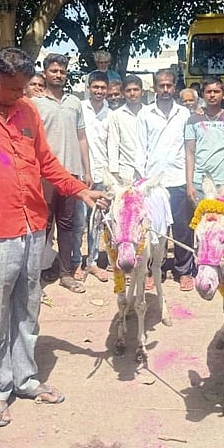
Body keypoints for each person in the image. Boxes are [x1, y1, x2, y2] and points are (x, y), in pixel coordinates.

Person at [0, 46, 108, 430]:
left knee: (28, 303)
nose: (22, 96)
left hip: (32, 222)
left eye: (24, 90)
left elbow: (45, 161)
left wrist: (80, 190)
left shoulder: (28, 109)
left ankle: (26, 377)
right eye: (15, 89)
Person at [32, 53, 93, 294]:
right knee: (42, 225)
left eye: (62, 72)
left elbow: (81, 137)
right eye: (54, 71)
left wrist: (87, 170)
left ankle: (66, 273)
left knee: (68, 225)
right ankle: (34, 276)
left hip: (71, 174)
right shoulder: (34, 104)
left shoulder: (74, 103)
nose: (58, 75)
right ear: (45, 72)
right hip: (44, 175)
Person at [138, 69, 194, 291]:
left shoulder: (184, 114)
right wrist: (142, 182)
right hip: (154, 182)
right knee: (153, 230)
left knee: (182, 229)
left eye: (169, 85)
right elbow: (141, 149)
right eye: (161, 85)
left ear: (175, 86)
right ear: (154, 87)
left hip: (178, 178)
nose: (165, 90)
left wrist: (189, 179)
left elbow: (189, 149)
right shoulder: (145, 114)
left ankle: (184, 272)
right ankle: (153, 270)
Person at [185, 76, 224, 203]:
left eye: (216, 91)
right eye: (208, 92)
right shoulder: (193, 120)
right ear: (203, 95)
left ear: (223, 94)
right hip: (200, 183)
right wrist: (190, 184)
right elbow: (190, 153)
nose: (212, 95)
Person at [74, 71, 110, 283]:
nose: (99, 91)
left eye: (102, 88)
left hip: (102, 174)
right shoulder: (79, 109)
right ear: (88, 88)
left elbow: (112, 145)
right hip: (80, 174)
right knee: (78, 222)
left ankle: (93, 262)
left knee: (96, 221)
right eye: (95, 87)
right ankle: (77, 262)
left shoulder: (110, 113)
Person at [108, 74, 146, 182]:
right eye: (128, 90)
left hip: (147, 172)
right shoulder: (117, 115)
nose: (132, 94)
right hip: (125, 173)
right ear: (123, 94)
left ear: (142, 92)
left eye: (136, 90)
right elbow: (113, 145)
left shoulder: (150, 113)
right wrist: (114, 173)